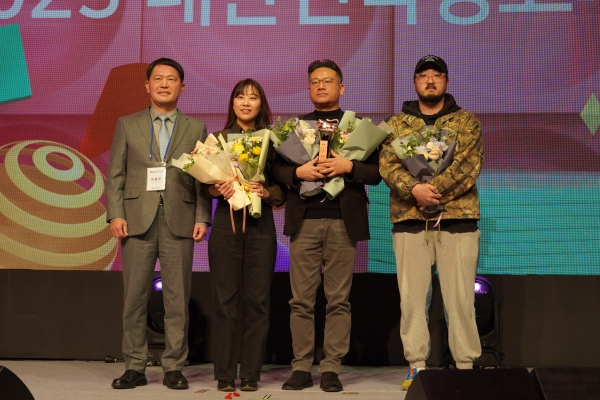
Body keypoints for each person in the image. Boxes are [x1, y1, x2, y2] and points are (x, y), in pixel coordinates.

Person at [272, 59, 381, 392]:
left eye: (328, 81)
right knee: (300, 301)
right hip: (304, 220)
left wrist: (349, 166)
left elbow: (376, 173)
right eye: (315, 81)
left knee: (338, 300)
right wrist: (297, 173)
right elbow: (275, 169)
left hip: (342, 221)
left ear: (341, 88)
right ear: (308, 89)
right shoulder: (293, 128)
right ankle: (301, 367)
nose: (321, 86)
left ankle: (332, 367)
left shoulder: (358, 127)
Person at [379, 55, 483, 390]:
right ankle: (416, 366)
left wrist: (431, 191)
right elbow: (387, 166)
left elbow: (468, 165)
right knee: (412, 299)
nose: (430, 80)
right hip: (410, 220)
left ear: (446, 81)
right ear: (414, 82)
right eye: (423, 75)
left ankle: (465, 365)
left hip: (457, 219)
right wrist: (414, 189)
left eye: (437, 74)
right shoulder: (395, 125)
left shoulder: (466, 121)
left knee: (461, 300)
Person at [107, 58, 211, 390]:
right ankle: (134, 366)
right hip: (136, 219)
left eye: (171, 79)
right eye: (158, 78)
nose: (164, 84)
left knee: (177, 300)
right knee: (134, 298)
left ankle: (174, 367)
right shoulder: (127, 124)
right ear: (147, 85)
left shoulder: (196, 128)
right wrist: (116, 214)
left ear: (182, 87)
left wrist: (202, 216)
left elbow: (202, 178)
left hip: (180, 219)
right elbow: (116, 175)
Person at [204, 79, 285, 392]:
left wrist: (266, 191)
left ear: (261, 104)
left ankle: (251, 373)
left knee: (258, 302)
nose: (246, 102)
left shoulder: (273, 140)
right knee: (224, 300)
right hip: (226, 225)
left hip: (261, 226)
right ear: (233, 103)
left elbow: (283, 191)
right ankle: (224, 373)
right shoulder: (218, 139)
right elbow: (205, 187)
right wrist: (218, 188)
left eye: (253, 97)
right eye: (240, 96)